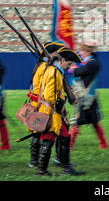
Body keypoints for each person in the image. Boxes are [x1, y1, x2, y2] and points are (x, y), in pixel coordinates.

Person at [36, 47, 82, 176]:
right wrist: (60, 108)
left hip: (55, 111)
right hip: (51, 112)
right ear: (62, 60)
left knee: (65, 137)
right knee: (48, 139)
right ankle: (42, 170)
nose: (69, 66)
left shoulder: (55, 71)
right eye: (68, 63)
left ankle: (66, 168)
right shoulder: (54, 72)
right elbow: (49, 96)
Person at [26, 41, 65, 168]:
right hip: (41, 103)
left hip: (37, 102)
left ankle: (35, 161)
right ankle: (38, 161)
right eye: (55, 52)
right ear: (51, 54)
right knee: (40, 132)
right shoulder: (45, 67)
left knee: (37, 132)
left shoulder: (41, 65)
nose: (57, 55)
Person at [69, 42, 108, 150]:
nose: (80, 53)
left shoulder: (92, 63)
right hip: (87, 96)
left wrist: (74, 69)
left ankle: (70, 145)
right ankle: (103, 143)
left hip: (87, 97)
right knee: (93, 121)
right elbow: (83, 71)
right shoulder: (90, 62)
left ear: (87, 52)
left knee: (78, 121)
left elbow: (82, 71)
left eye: (81, 51)